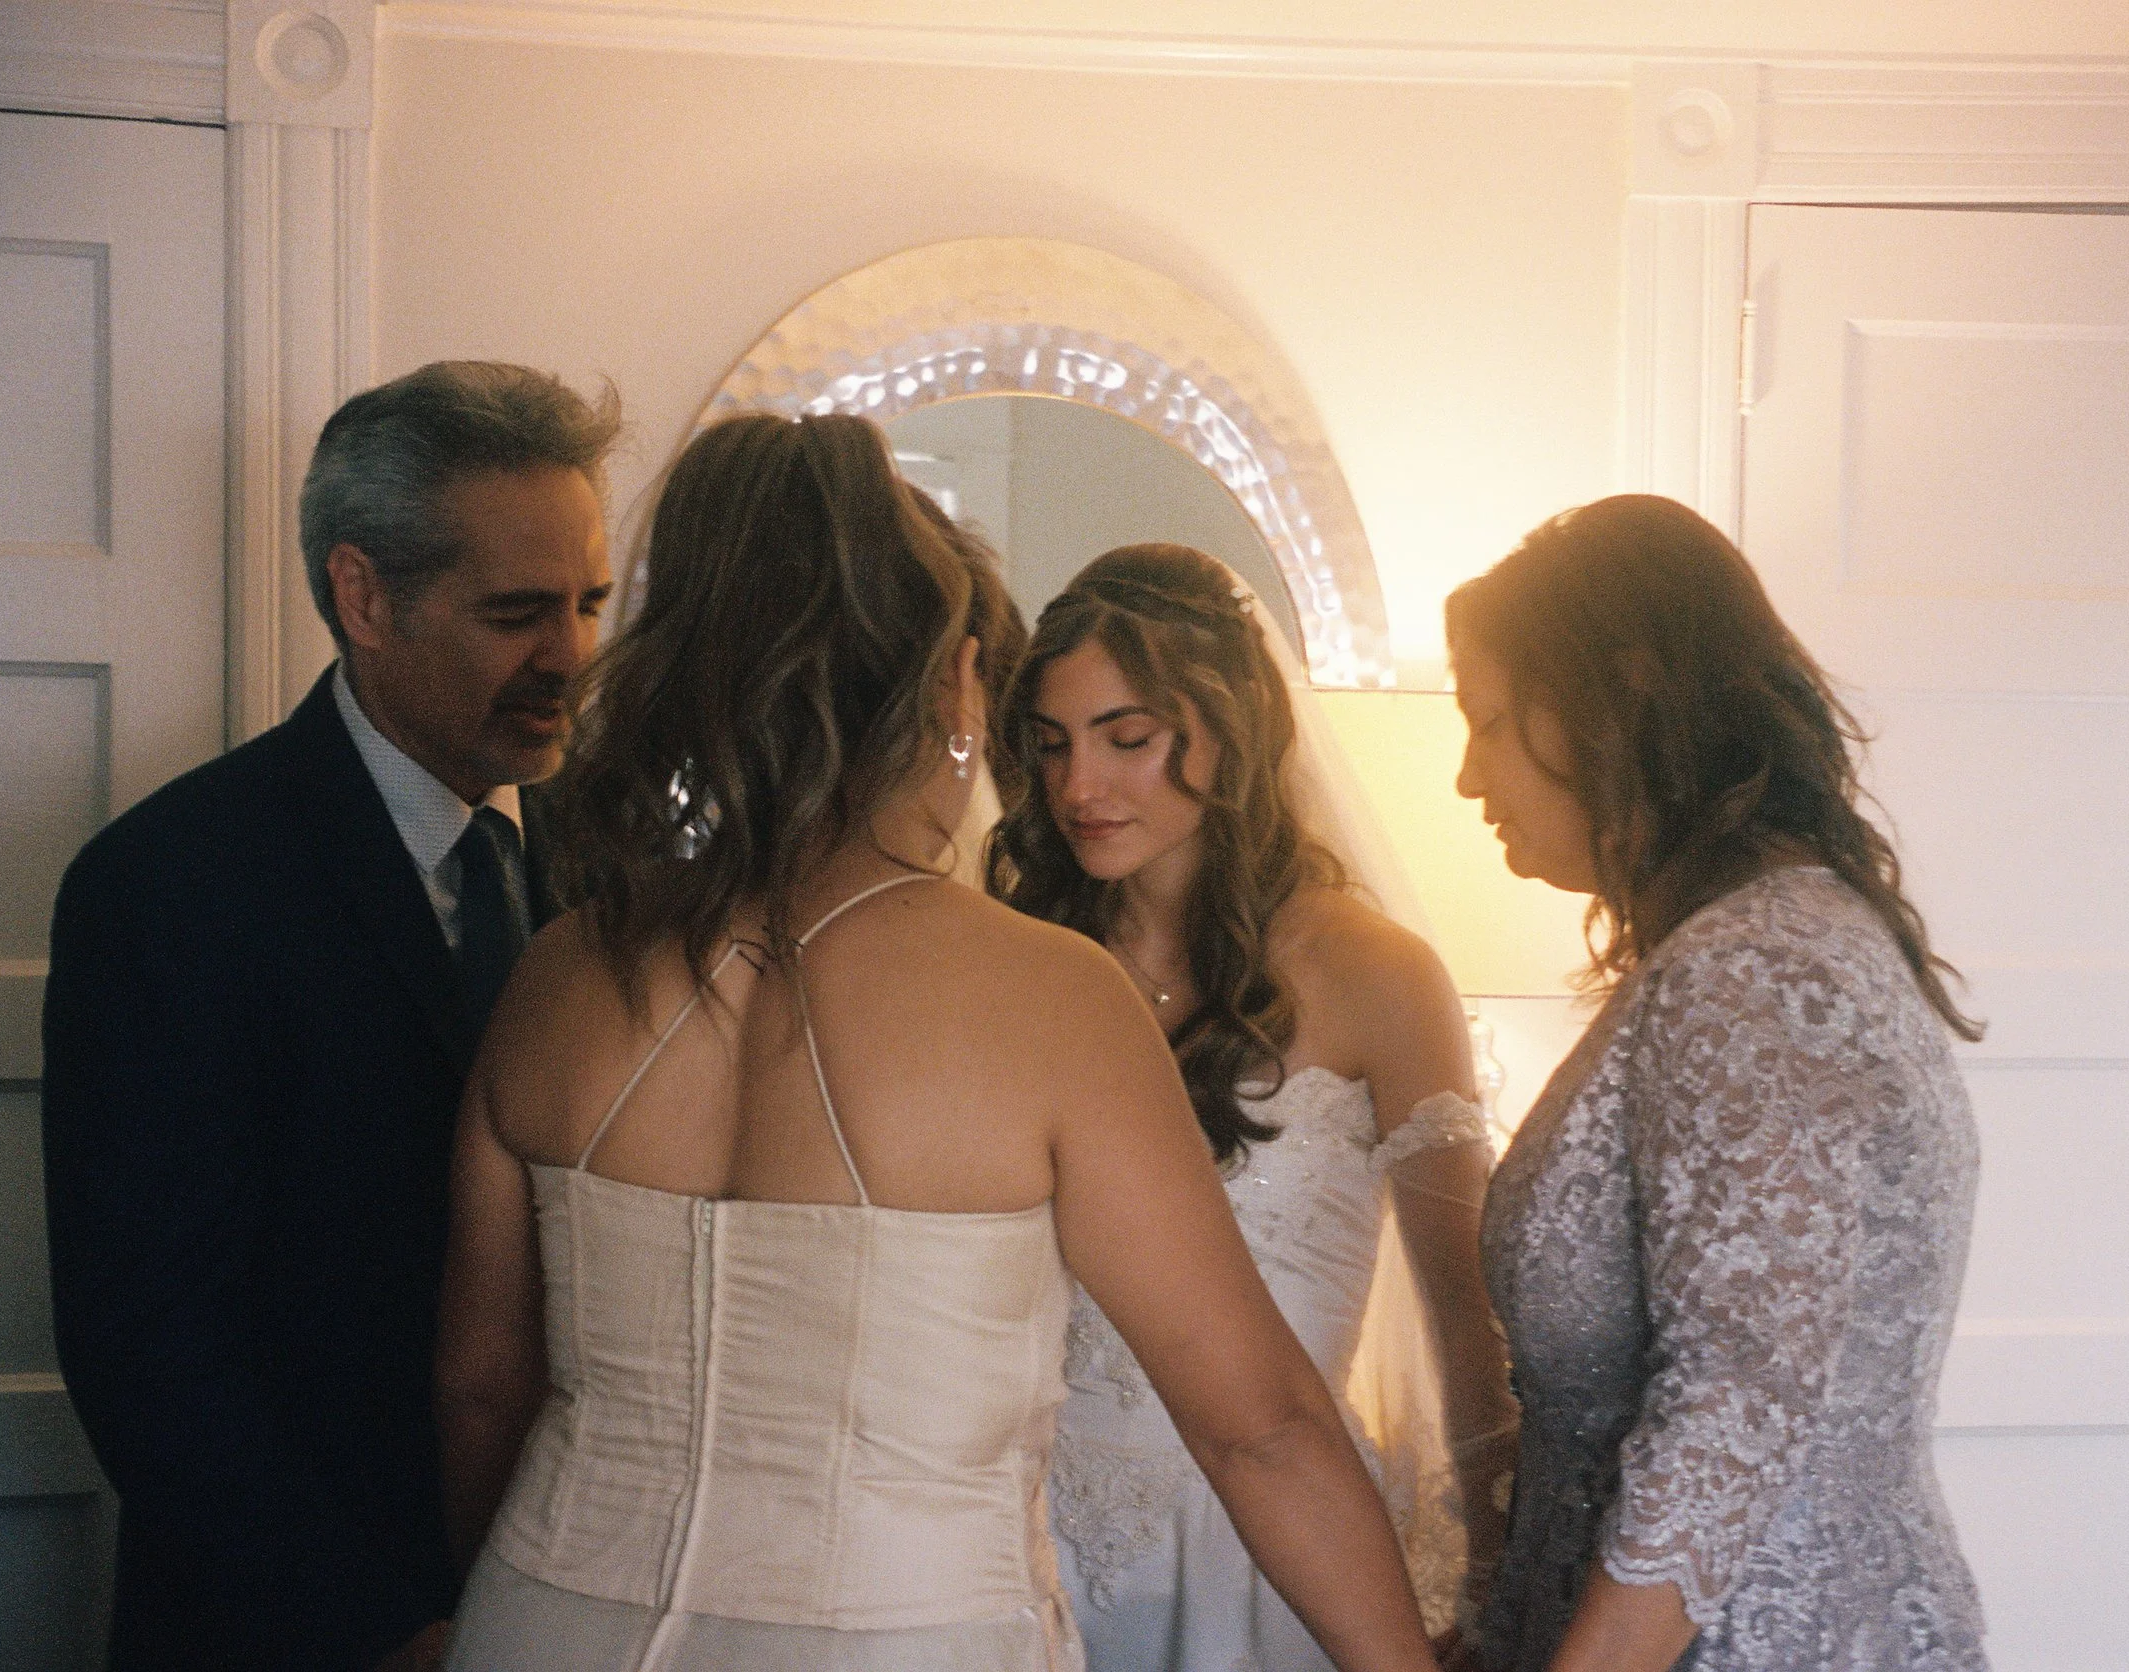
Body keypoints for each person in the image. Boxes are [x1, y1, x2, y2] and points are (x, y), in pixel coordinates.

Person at [432, 414, 1442, 1672]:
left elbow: (480, 1383)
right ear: (958, 685)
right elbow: (1262, 1429)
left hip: (547, 1617)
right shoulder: (1047, 998)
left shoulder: (559, 975)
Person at [42, 361, 620, 1671]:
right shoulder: (169, 886)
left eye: (589, 603)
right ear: (364, 595)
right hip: (290, 1625)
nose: (571, 656)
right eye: (518, 611)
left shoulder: (622, 861)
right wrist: (376, 1628)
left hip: (578, 1595)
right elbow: (148, 1338)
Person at [1446, 494, 1987, 1672]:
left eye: (1488, 721)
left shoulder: (1746, 971)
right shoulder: (1784, 933)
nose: (1464, 777)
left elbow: (1732, 1406)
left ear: (1620, 695)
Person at [986, 543, 1519, 1671]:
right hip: (1030, 1543)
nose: (1080, 787)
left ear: (1226, 728)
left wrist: (1489, 1562)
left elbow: (1463, 1312)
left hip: (1275, 1550)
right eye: (1052, 745)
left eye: (1128, 739)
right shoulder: (1026, 964)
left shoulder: (1377, 973)